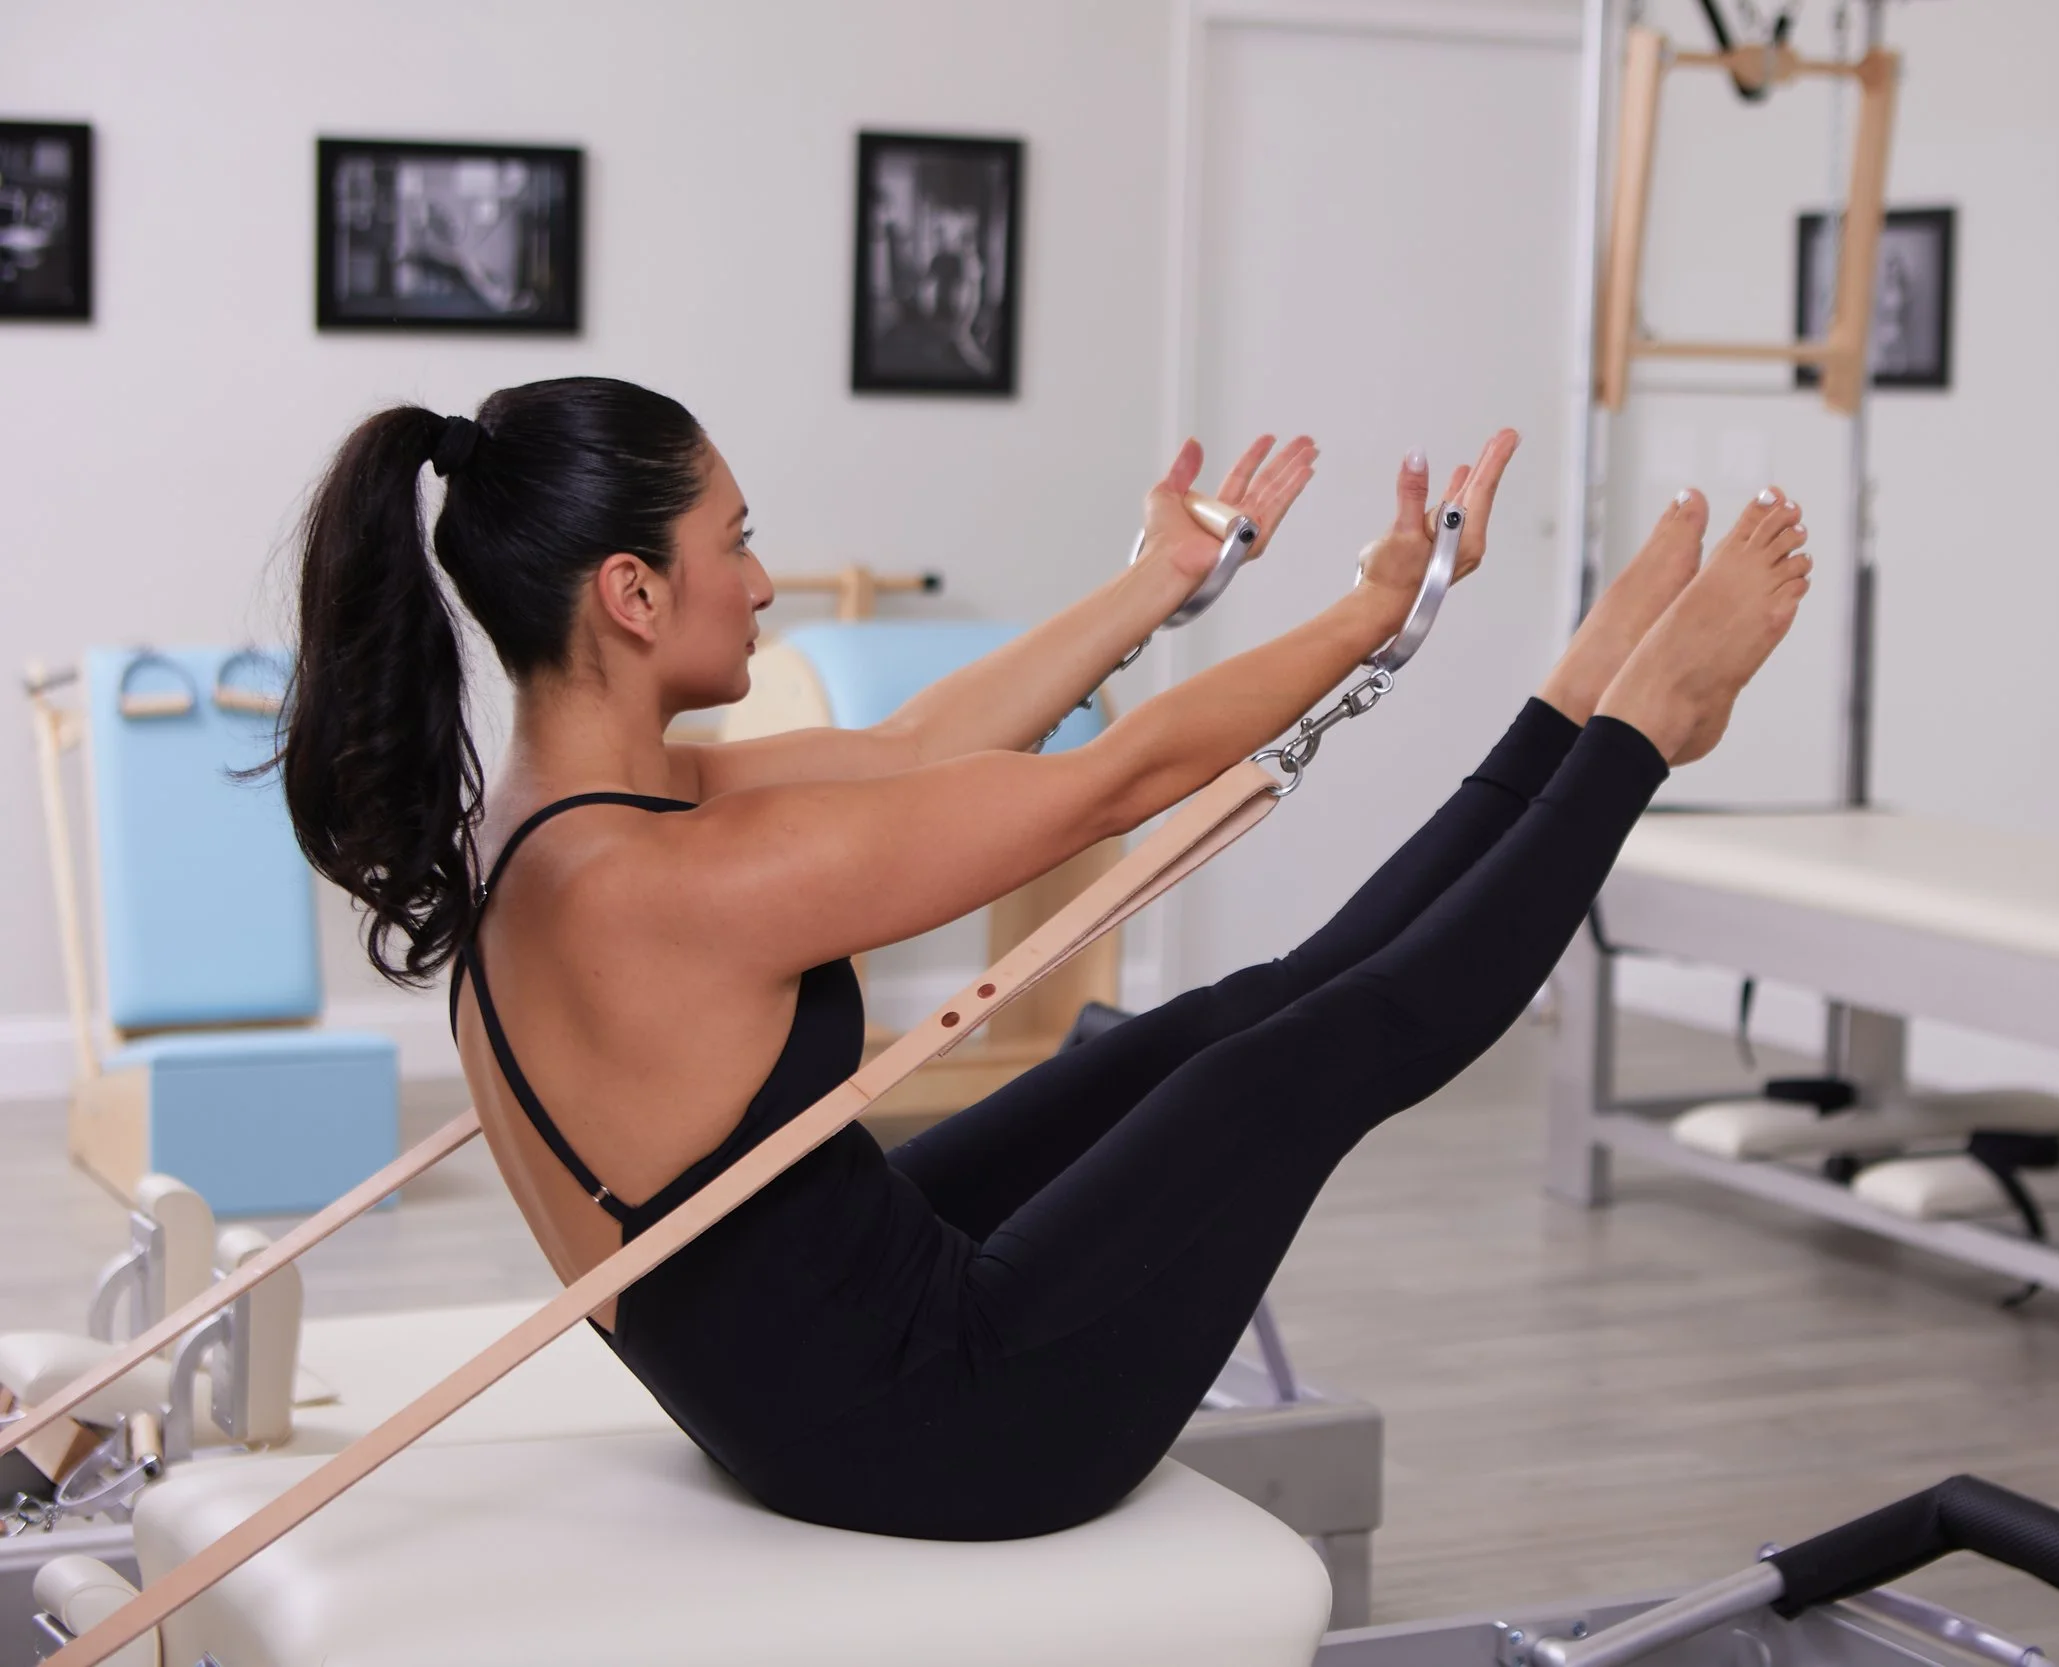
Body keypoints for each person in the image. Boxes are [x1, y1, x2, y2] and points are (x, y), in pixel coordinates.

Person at [280, 376, 1810, 1539]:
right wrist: (1376, 609)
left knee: (1178, 1039)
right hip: (942, 1430)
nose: (761, 577)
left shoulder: (569, 827)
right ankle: (1638, 732)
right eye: (733, 543)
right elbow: (1121, 785)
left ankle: (1559, 713)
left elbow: (911, 744)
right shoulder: (675, 880)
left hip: (800, 1361)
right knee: (1284, 1073)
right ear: (630, 594)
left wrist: (1158, 582)